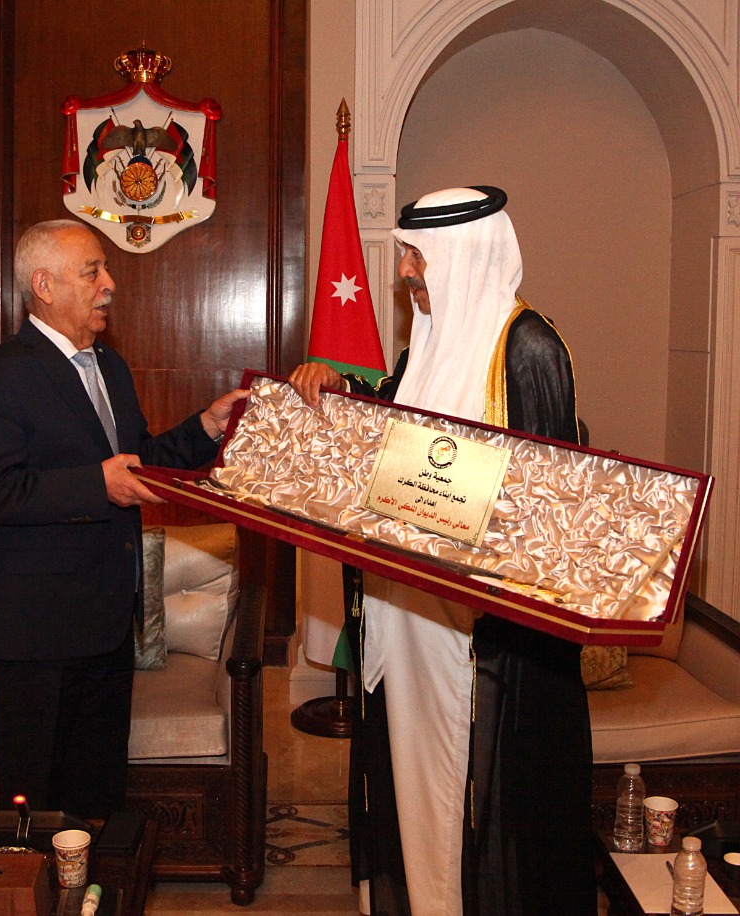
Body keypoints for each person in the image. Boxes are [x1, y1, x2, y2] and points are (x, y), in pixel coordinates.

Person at [290, 187, 595, 916]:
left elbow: (545, 505)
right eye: (405, 255)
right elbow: (394, 442)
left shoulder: (528, 350)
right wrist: (337, 390)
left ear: (463, 256)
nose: (404, 272)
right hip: (410, 625)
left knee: (486, 811)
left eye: (416, 256)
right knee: (414, 784)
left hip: (487, 646)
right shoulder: (423, 347)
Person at [0, 219, 248, 818]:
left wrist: (206, 428)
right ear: (44, 285)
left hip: (109, 620)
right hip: (36, 630)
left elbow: (138, 463)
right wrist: (96, 485)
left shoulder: (109, 367)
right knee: (35, 806)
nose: (110, 284)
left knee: (97, 797)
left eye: (105, 270)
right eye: (93, 272)